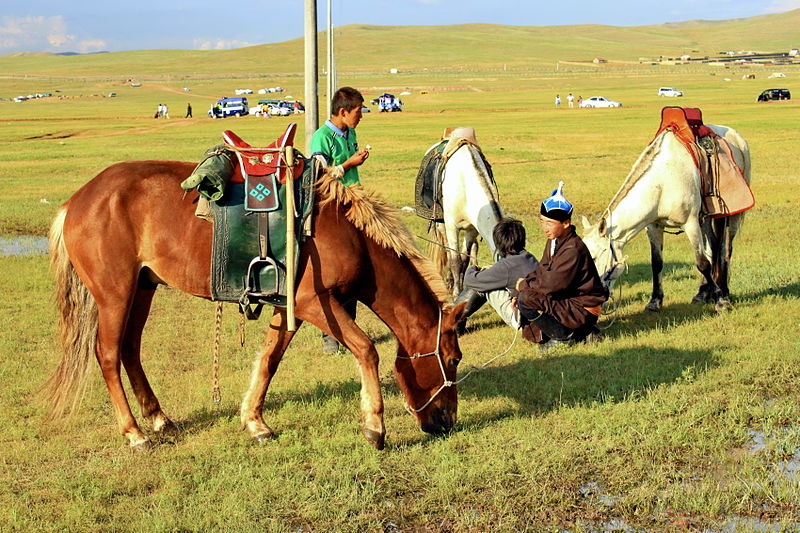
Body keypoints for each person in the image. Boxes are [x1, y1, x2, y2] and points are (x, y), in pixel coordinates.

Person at [310, 86, 370, 352]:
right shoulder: (321, 138)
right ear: (343, 111)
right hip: (332, 211)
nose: (361, 116)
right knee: (335, 272)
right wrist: (349, 165)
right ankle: (329, 336)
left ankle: (348, 329)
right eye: (358, 112)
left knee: (354, 268)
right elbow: (318, 178)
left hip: (354, 204)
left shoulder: (351, 132)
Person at [514, 181, 608, 348]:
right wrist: (523, 285)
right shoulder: (554, 240)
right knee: (525, 297)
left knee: (527, 299)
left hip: (583, 308)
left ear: (566, 223)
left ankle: (566, 337)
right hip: (569, 299)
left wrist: (524, 286)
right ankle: (583, 333)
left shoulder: (573, 249)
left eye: (549, 223)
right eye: (542, 221)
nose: (544, 227)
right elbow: (541, 271)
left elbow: (550, 284)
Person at [454, 218, 539, 334]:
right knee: (486, 280)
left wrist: (473, 268)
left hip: (522, 320)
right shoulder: (529, 257)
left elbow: (470, 280)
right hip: (535, 313)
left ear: (498, 243)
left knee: (483, 285)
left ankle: (453, 321)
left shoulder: (507, 267)